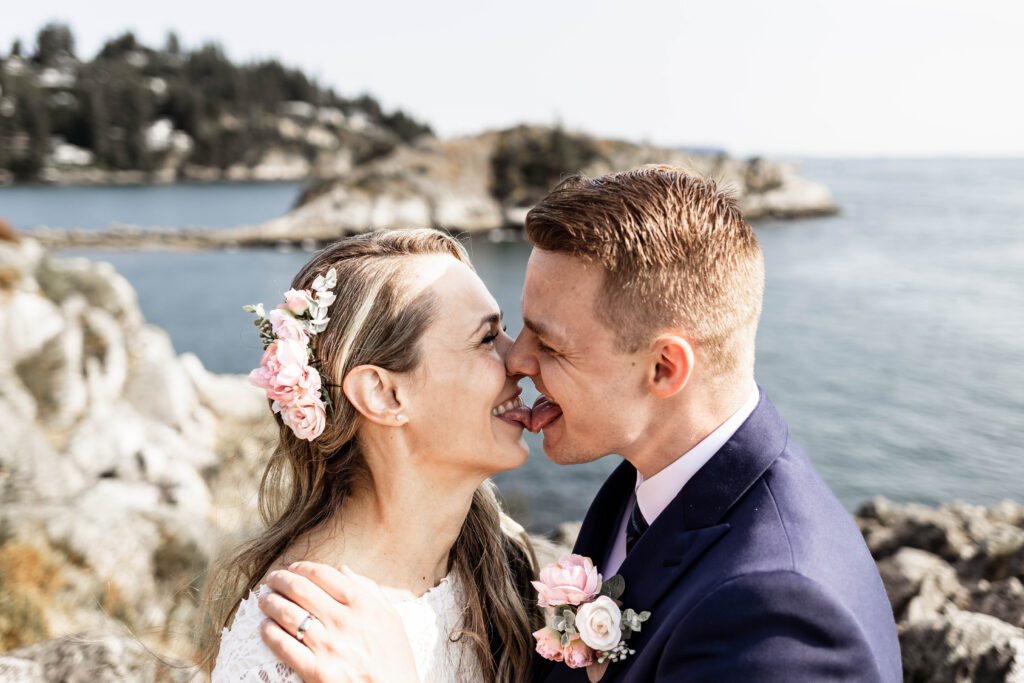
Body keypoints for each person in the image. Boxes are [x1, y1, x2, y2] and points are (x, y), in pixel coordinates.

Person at [258, 166, 903, 682]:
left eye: (550, 344)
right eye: (508, 330)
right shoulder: (641, 488)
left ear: (663, 369)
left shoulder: (776, 616)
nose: (519, 359)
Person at [203, 229, 540, 683]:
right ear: (384, 395)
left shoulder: (497, 561)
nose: (519, 358)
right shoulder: (294, 646)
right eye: (486, 338)